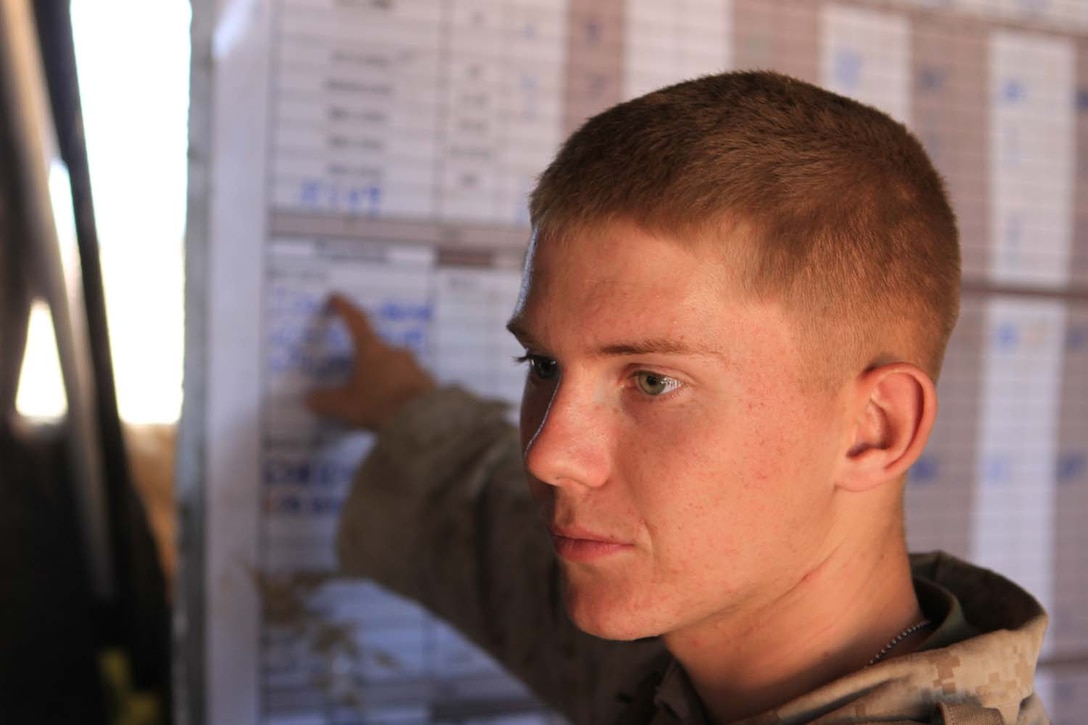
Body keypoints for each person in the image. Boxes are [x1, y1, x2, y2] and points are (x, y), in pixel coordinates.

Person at [308, 71, 1049, 724]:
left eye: (653, 381)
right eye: (541, 363)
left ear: (874, 429)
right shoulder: (683, 644)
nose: (550, 454)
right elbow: (489, 537)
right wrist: (400, 403)